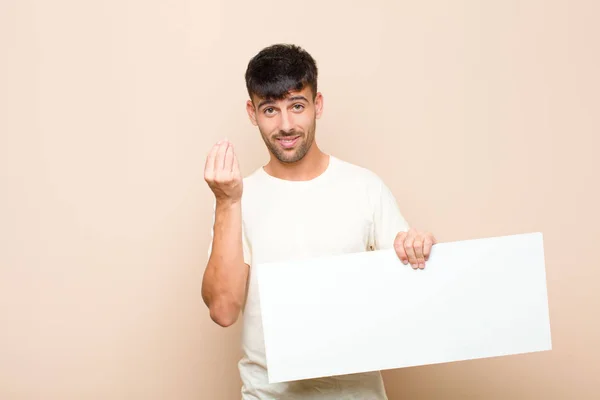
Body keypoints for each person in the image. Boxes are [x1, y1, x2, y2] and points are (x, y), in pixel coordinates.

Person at [202, 43, 437, 400]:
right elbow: (222, 310)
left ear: (318, 105)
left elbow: (415, 301)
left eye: (297, 106)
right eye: (270, 109)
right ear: (252, 112)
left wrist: (417, 249)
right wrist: (226, 203)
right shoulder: (238, 199)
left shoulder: (365, 188)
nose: (285, 125)